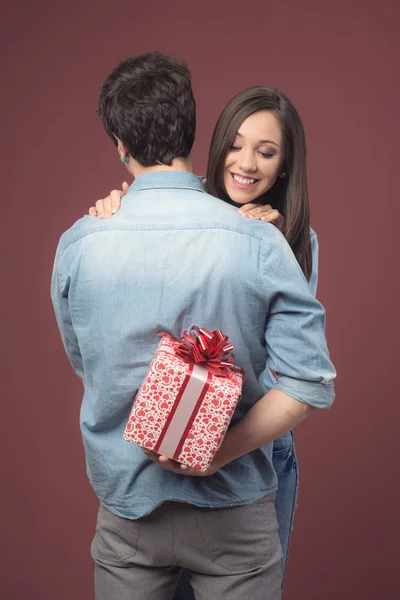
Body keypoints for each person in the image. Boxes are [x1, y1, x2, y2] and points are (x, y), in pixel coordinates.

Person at [51, 52, 335, 600]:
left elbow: (87, 360)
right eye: (238, 144)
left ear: (120, 143)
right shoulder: (252, 241)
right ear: (199, 130)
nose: (248, 163)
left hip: (145, 492)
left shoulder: (80, 242)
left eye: (266, 152)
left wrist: (212, 448)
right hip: (231, 500)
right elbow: (308, 379)